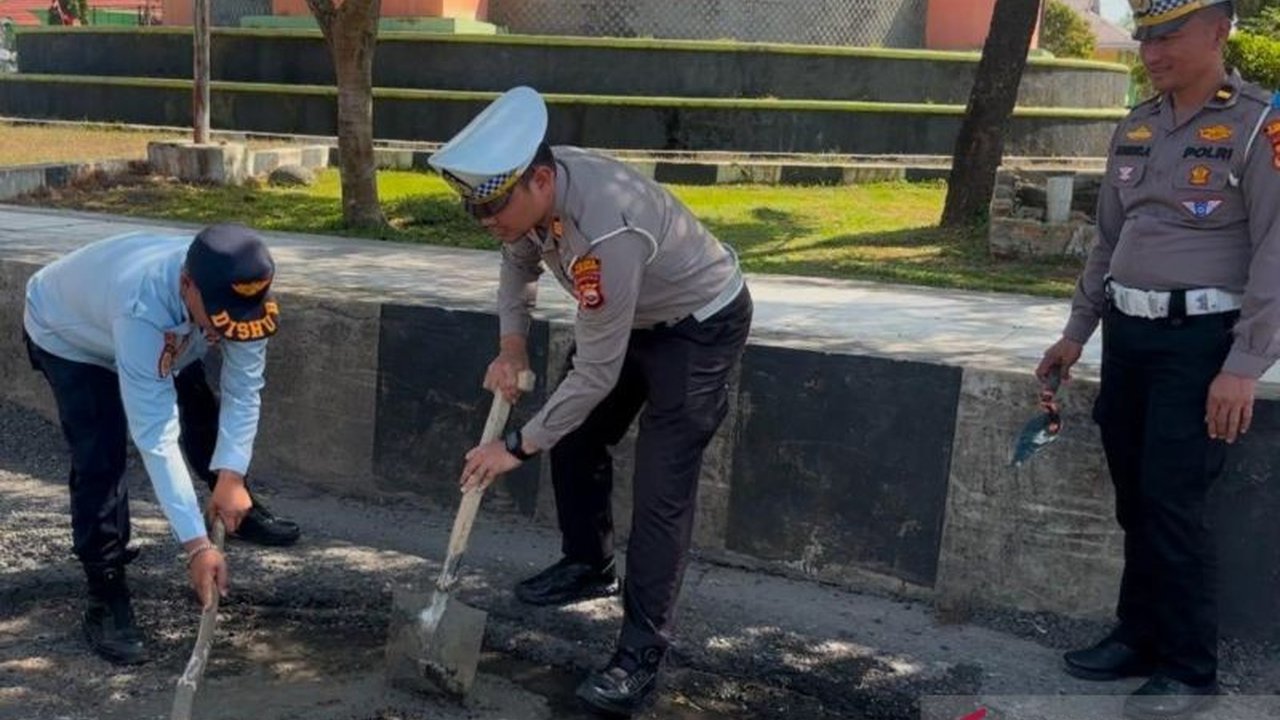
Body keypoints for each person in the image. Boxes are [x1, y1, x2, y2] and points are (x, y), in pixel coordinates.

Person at [432, 86, 753, 715]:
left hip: (698, 327)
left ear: (541, 180)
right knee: (576, 436)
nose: (487, 221)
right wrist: (512, 346)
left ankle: (639, 653)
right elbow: (516, 264)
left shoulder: (608, 229)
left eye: (494, 206)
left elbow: (595, 375)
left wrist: (515, 448)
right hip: (631, 319)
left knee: (662, 488)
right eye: (476, 210)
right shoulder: (533, 199)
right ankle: (588, 563)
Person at [1036, 1, 1280, 717]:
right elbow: (1108, 239)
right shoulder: (1137, 123)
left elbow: (1275, 250)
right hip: (1129, 335)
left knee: (1173, 502)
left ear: (1218, 30)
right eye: (1144, 36)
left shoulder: (1261, 124)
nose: (1152, 50)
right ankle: (1136, 637)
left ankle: (1189, 666)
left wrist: (1243, 364)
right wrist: (1077, 331)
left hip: (1200, 345)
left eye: (1168, 34)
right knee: (1134, 498)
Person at [23, 224, 301, 665]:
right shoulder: (143, 307)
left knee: (201, 406)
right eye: (221, 319)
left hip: (167, 330)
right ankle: (105, 590)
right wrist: (196, 547)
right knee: (102, 455)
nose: (231, 330)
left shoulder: (240, 293)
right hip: (71, 335)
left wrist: (231, 476)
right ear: (188, 286)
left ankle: (232, 505)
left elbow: (245, 389)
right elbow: (155, 435)